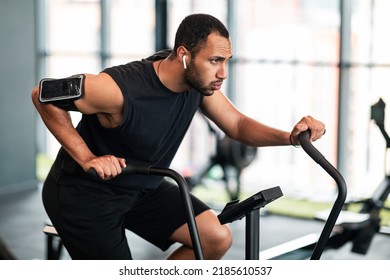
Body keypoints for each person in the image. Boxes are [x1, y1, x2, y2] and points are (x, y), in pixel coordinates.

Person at [31, 13, 326, 260]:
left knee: (215, 237)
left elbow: (237, 125)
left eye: (226, 61)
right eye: (214, 61)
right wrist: (87, 157)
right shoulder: (120, 89)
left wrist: (290, 137)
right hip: (84, 194)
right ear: (184, 55)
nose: (223, 72)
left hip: (140, 188)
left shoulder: (198, 86)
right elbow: (43, 95)